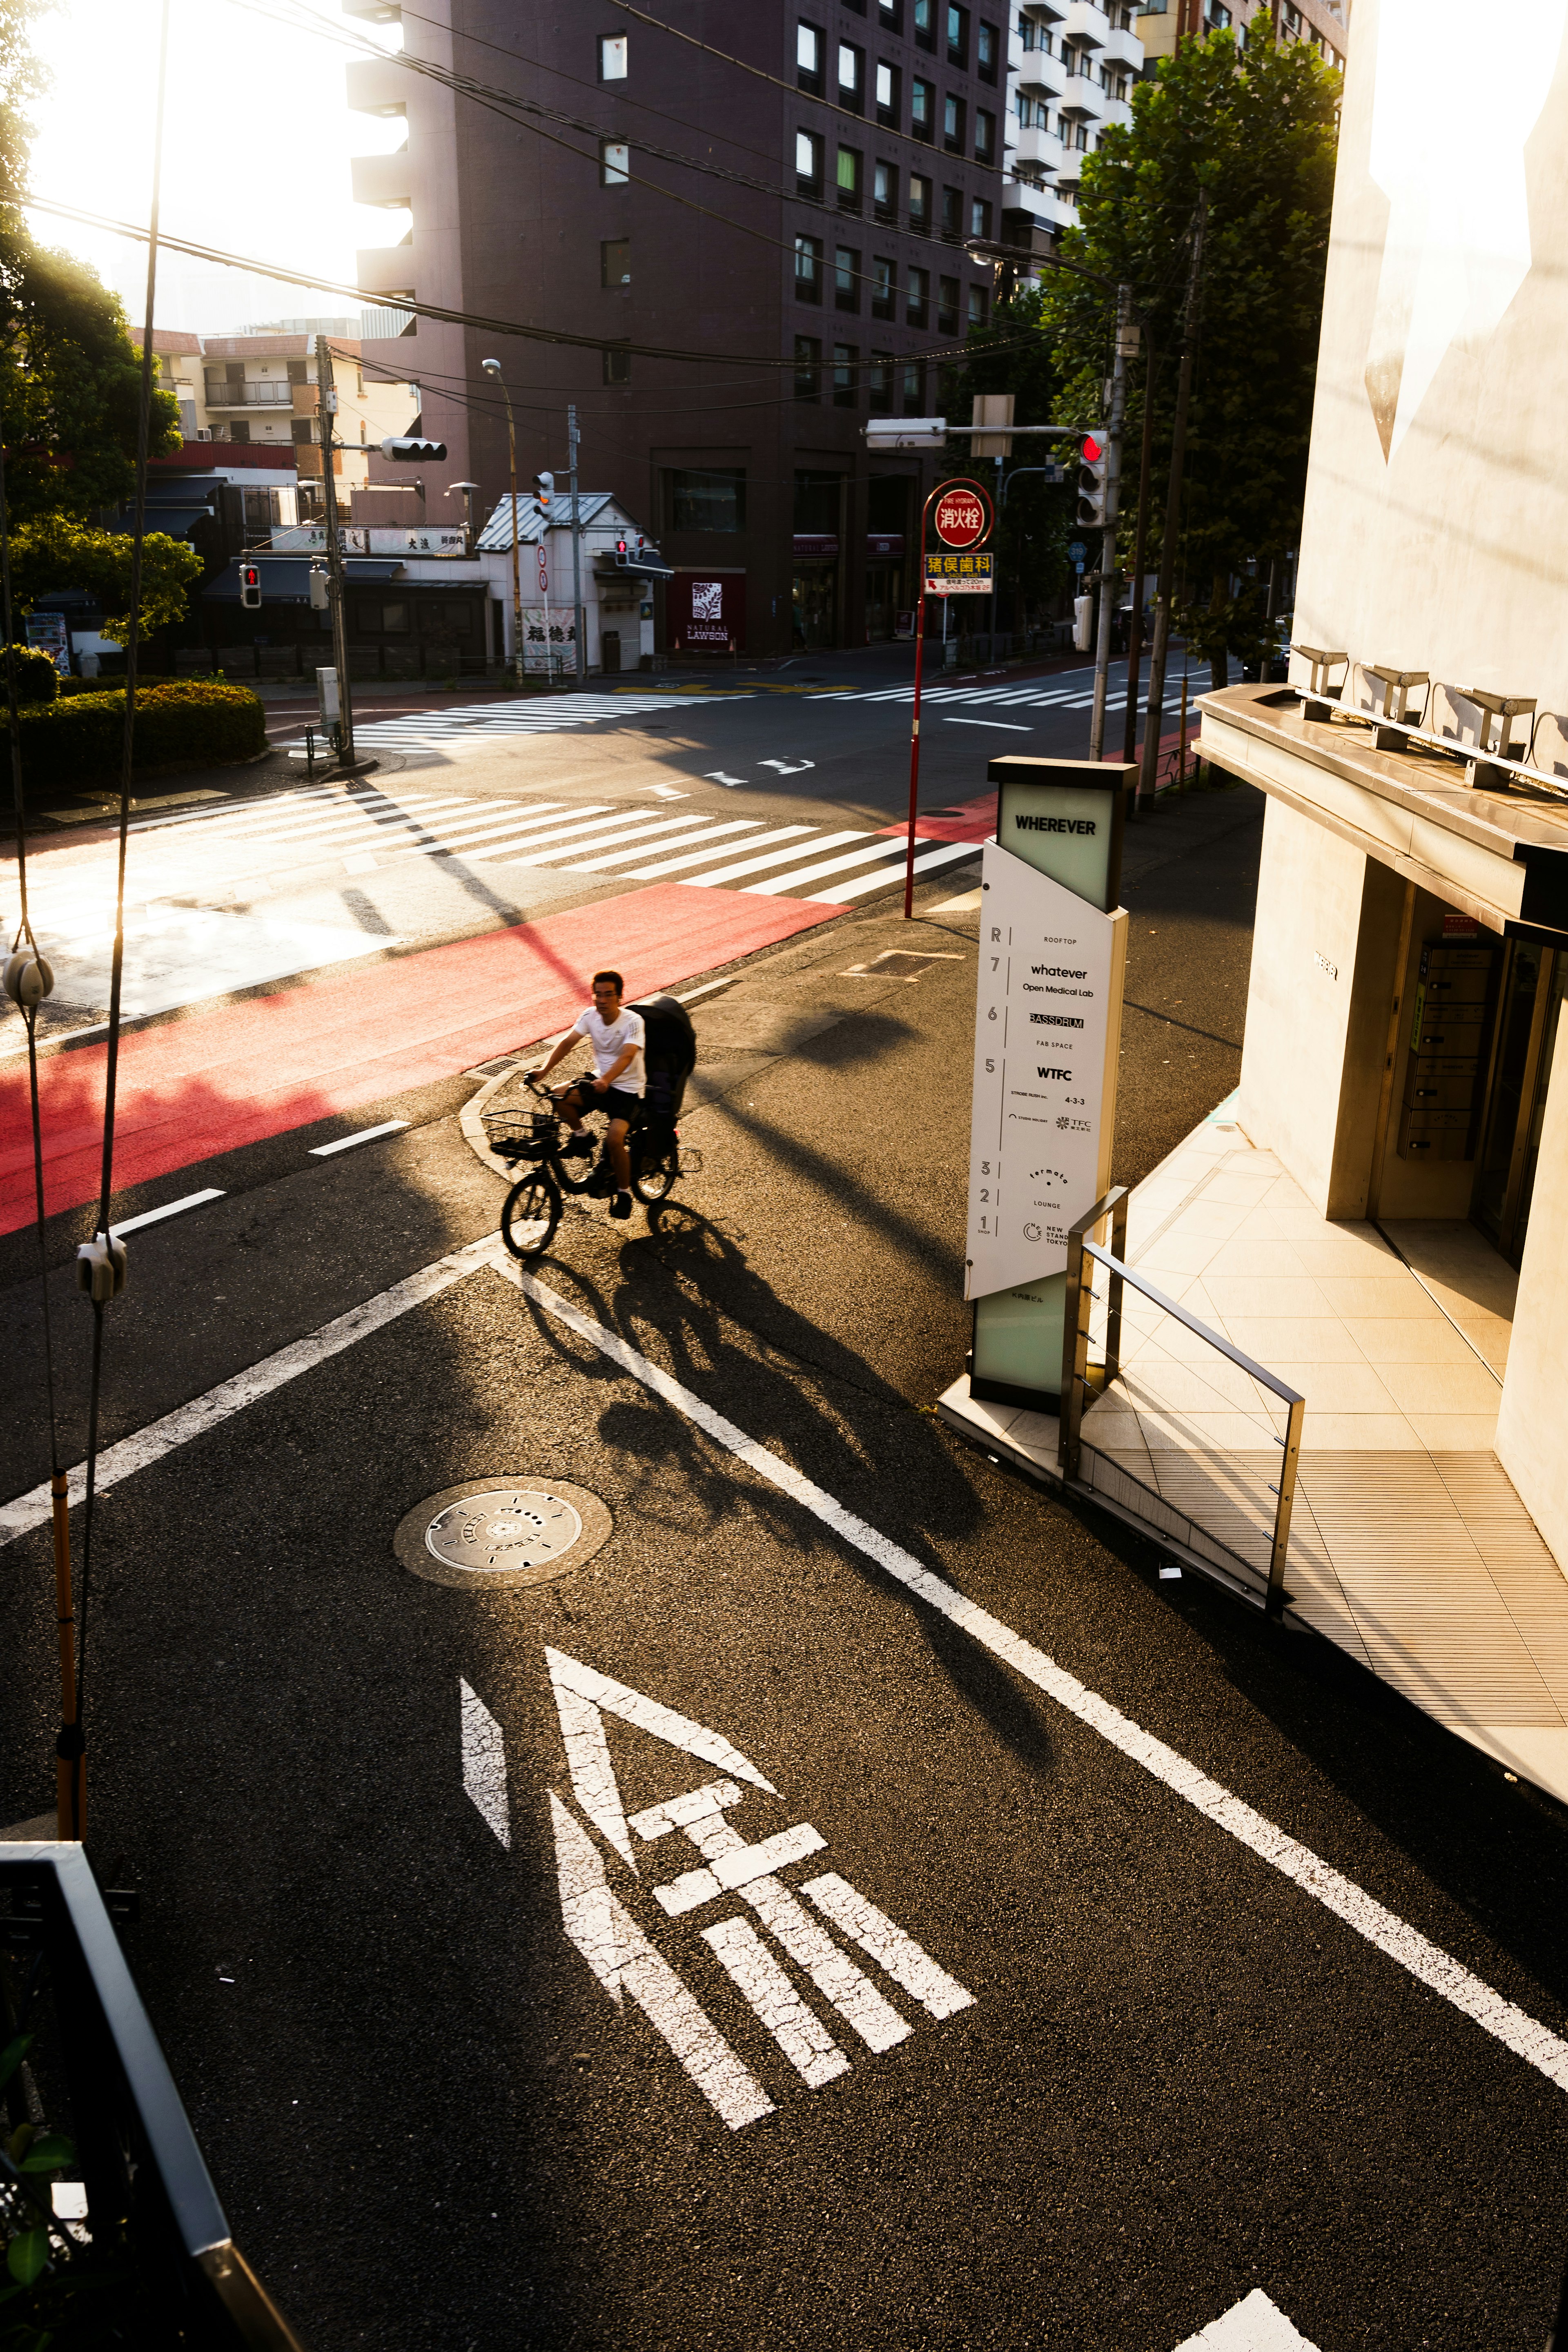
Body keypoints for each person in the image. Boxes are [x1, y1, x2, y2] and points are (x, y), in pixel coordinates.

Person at [529, 969, 646, 1221]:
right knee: (558, 1096)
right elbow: (567, 1043)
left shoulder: (633, 1021)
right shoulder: (589, 1016)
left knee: (615, 1139)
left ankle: (624, 1193)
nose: (602, 1000)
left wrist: (607, 1080)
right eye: (598, 995)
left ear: (620, 997)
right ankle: (581, 1137)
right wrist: (544, 1070)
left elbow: (628, 1055)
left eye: (609, 995)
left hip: (627, 1090)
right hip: (600, 1081)